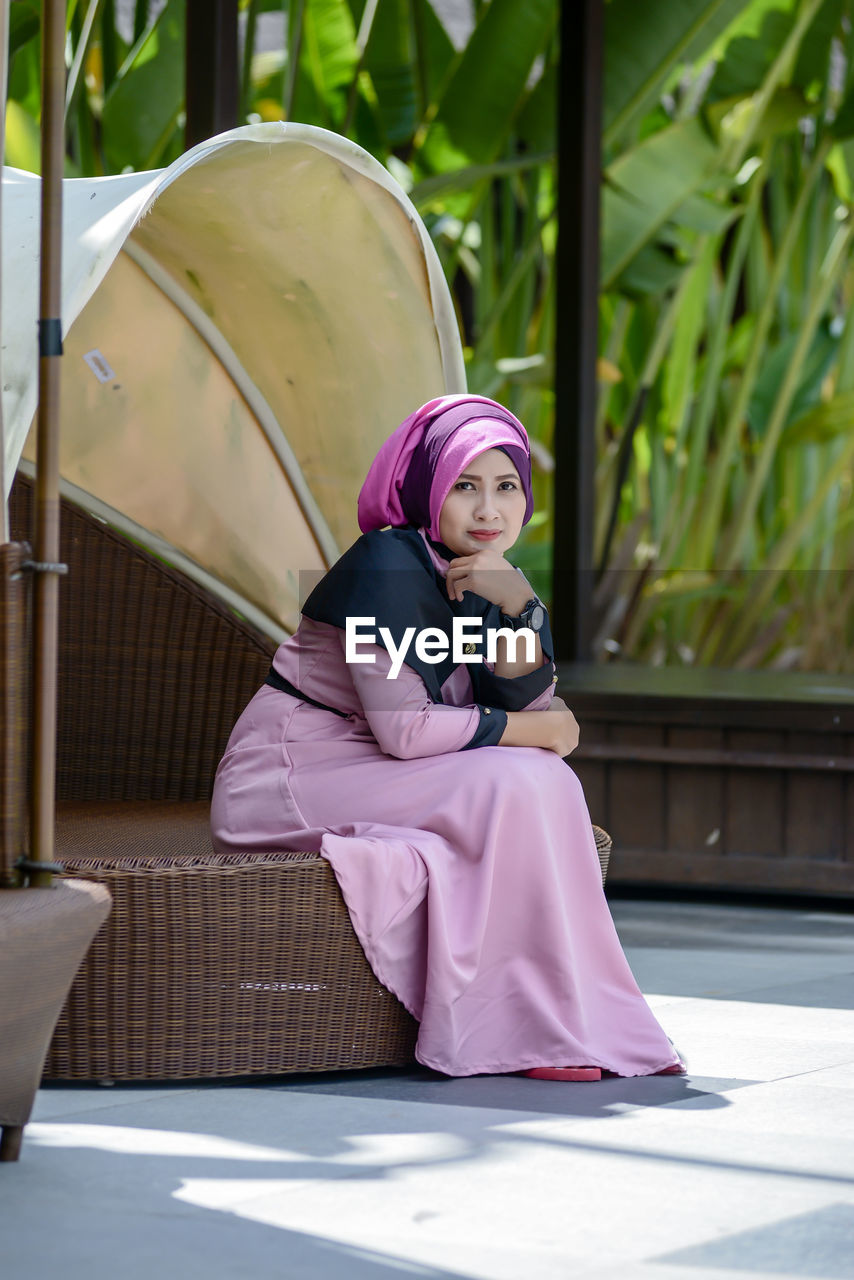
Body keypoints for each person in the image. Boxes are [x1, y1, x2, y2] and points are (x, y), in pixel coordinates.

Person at [211, 394, 684, 1080]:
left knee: (542, 778)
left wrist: (521, 606)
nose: (489, 510)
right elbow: (406, 730)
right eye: (465, 487)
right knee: (518, 777)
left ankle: (569, 1022)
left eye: (506, 488)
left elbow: (527, 706)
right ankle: (524, 1034)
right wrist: (537, 729)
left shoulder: (488, 577)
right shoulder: (388, 565)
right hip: (293, 775)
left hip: (386, 767)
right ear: (427, 488)